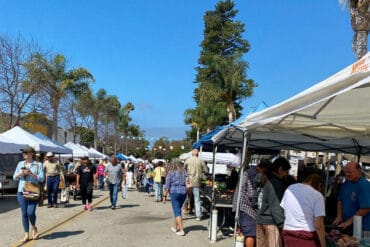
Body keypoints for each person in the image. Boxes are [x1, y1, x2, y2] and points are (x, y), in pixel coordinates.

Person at [232, 159, 270, 247]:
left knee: (249, 232)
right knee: (251, 233)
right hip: (246, 208)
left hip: (246, 207)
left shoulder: (249, 173)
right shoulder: (250, 174)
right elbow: (251, 194)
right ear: (263, 169)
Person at [280, 173, 326, 247]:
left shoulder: (290, 188)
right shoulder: (317, 195)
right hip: (306, 236)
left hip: (288, 232)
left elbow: (284, 210)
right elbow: (319, 225)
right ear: (319, 185)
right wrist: (323, 245)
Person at [255, 157, 291, 247]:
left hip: (260, 220)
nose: (286, 174)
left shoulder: (265, 180)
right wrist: (282, 225)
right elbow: (275, 207)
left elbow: (255, 200)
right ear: (280, 169)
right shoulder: (274, 183)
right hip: (270, 222)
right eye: (286, 171)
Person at [13, 146, 45, 242]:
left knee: (30, 212)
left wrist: (31, 174)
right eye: (23, 153)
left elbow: (42, 178)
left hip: (32, 191)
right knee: (24, 213)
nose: (24, 154)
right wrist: (20, 174)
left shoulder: (38, 165)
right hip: (21, 191)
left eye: (26, 153)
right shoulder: (20, 163)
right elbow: (14, 177)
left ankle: (34, 228)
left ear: (31, 154)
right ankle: (26, 234)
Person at [333, 161, 370, 232]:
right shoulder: (346, 183)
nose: (347, 174)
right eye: (346, 172)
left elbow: (366, 208)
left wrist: (349, 221)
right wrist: (339, 216)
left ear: (359, 171)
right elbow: (340, 201)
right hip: (347, 226)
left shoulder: (365, 185)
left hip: (362, 228)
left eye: (350, 172)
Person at [163, 158, 187, 236]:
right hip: (183, 192)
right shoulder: (184, 171)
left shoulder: (170, 172)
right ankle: (174, 227)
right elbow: (188, 181)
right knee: (178, 210)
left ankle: (181, 230)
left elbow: (167, 186)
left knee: (177, 211)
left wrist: (164, 195)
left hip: (174, 192)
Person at [184, 148, 208, 220]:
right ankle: (198, 216)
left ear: (192, 153)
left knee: (186, 197)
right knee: (197, 199)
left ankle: (183, 211)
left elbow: (184, 168)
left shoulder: (188, 160)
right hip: (197, 182)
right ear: (198, 153)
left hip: (189, 181)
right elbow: (206, 170)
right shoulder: (201, 160)